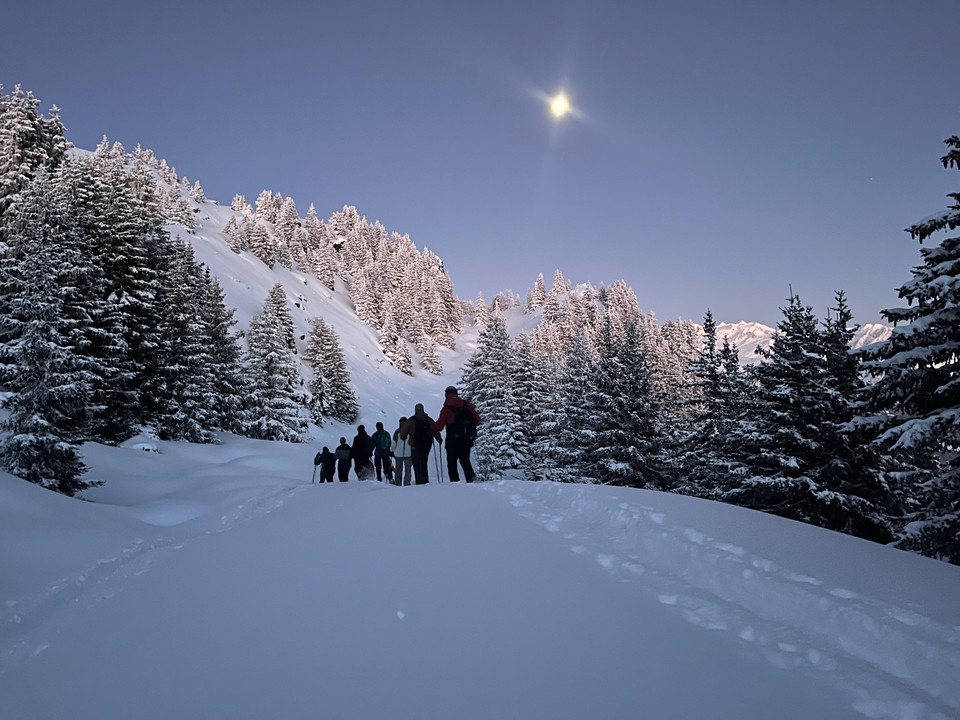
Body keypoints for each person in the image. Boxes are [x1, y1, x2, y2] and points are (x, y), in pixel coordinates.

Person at [433, 385, 481, 483]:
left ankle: (455, 485)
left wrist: (431, 426)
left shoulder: (446, 408)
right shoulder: (466, 405)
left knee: (452, 464)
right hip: (466, 439)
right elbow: (477, 420)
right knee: (465, 460)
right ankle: (471, 479)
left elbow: (439, 427)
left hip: (452, 441)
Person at [399, 403, 441, 485]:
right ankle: (425, 481)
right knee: (424, 462)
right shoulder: (429, 420)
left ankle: (420, 483)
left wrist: (405, 437)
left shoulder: (411, 421)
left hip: (415, 446)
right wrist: (439, 439)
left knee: (417, 465)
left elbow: (402, 435)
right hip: (426, 445)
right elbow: (435, 431)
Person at [392, 416, 413, 486]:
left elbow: (394, 443)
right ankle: (407, 484)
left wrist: (391, 450)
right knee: (408, 470)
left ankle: (398, 483)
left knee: (398, 470)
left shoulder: (397, 432)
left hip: (398, 454)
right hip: (408, 454)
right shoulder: (410, 431)